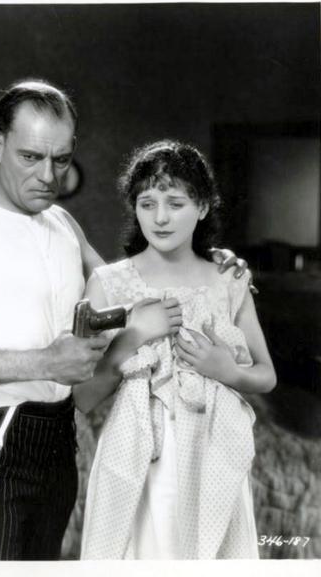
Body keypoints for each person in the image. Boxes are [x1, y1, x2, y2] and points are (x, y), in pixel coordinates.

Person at [0, 79, 246, 560]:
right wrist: (47, 363)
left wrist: (211, 265)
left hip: (57, 433)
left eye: (61, 159)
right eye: (30, 157)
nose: (49, 175)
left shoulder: (62, 223)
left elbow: (135, 284)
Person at [75, 140, 276, 560]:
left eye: (176, 203)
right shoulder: (110, 284)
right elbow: (83, 396)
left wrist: (229, 371)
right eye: (147, 204)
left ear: (202, 207)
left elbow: (266, 375)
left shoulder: (228, 279)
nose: (160, 217)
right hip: (138, 456)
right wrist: (133, 336)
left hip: (213, 454)